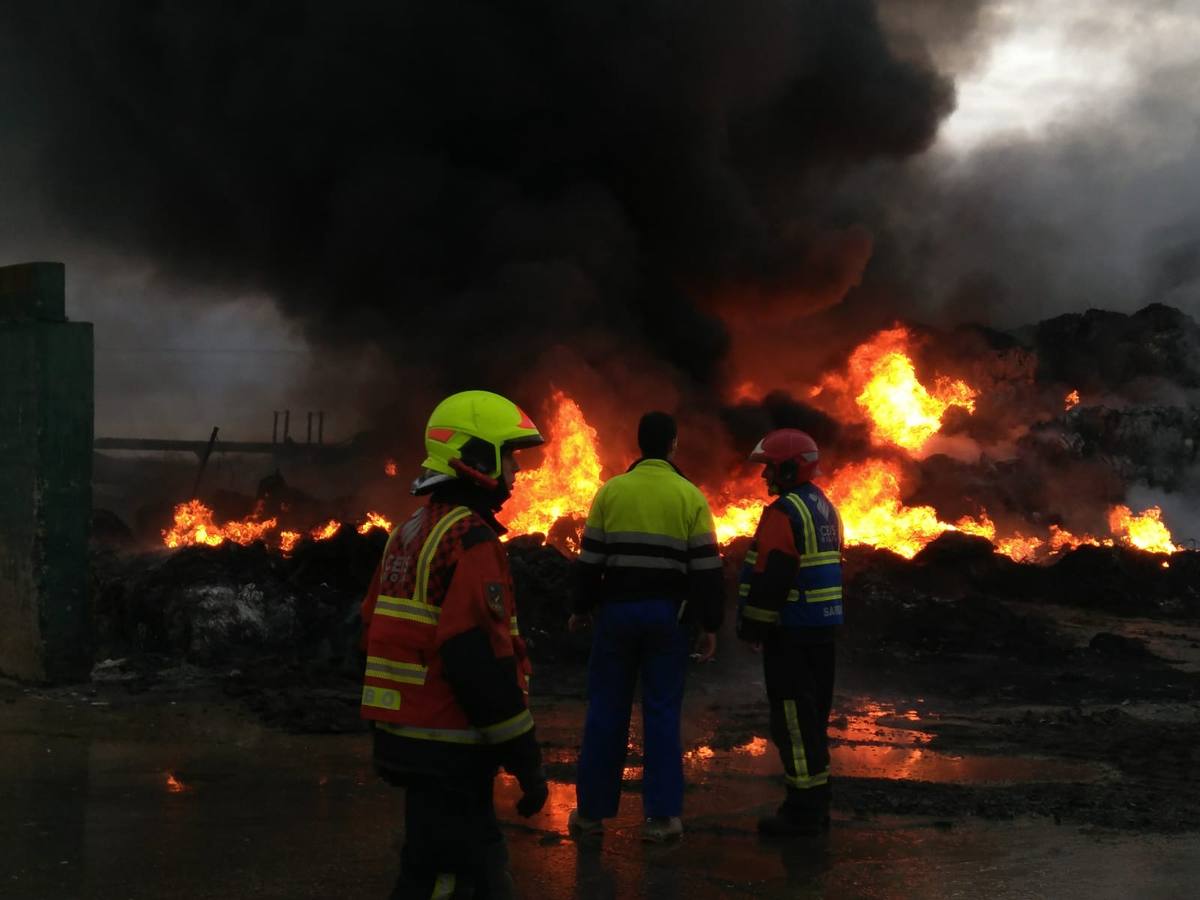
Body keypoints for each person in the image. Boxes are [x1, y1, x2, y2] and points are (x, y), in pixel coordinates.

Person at [360, 390, 549, 898]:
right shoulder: (471, 541)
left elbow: (369, 630)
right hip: (449, 747)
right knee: (456, 880)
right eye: (508, 455)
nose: (516, 470)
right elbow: (475, 658)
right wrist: (525, 758)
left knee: (437, 868)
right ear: (476, 457)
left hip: (407, 738)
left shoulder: (407, 534)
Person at [567, 411, 725, 842]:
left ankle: (590, 816)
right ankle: (663, 818)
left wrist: (581, 608)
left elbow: (590, 561)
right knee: (660, 714)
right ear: (673, 444)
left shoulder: (611, 492)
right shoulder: (689, 496)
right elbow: (707, 570)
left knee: (605, 711)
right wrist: (709, 624)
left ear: (640, 445)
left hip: (616, 615)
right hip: (666, 618)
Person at [736, 428, 843, 837]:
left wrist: (753, 627)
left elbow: (773, 576)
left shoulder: (785, 512)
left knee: (793, 726)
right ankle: (818, 803)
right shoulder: (825, 507)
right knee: (812, 722)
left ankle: (803, 814)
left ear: (790, 466)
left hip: (792, 632)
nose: (765, 478)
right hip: (822, 632)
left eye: (770, 469)